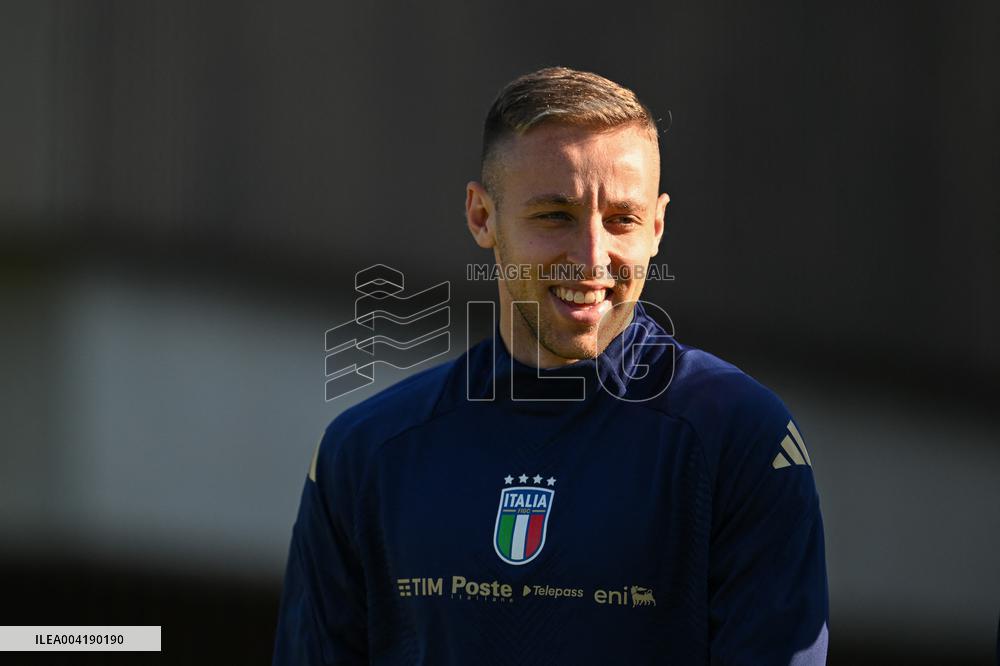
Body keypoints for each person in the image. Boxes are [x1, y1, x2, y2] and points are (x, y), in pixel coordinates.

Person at [273, 66, 828, 665]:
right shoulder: (365, 452)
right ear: (482, 217)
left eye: (622, 219)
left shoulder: (739, 437)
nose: (592, 258)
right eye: (554, 215)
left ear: (658, 227)